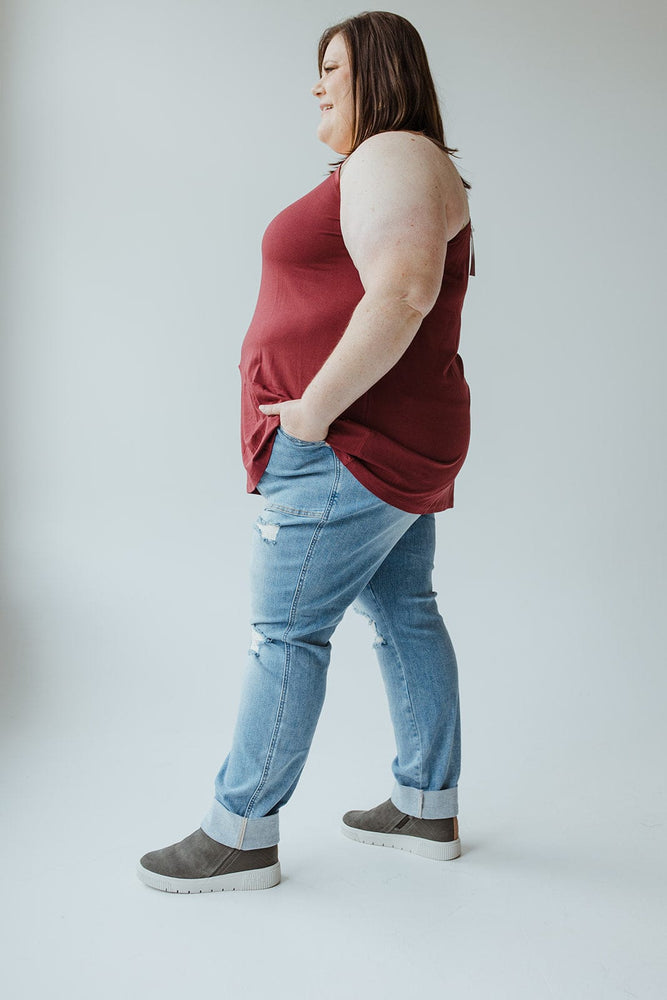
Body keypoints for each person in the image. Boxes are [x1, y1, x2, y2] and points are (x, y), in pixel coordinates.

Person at [137, 10, 475, 894]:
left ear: (381, 73)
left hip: (350, 448)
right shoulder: (397, 161)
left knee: (286, 633)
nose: (317, 85)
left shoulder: (390, 153)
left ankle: (240, 832)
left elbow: (402, 292)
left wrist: (313, 415)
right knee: (405, 611)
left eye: (333, 67)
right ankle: (423, 803)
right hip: (385, 443)